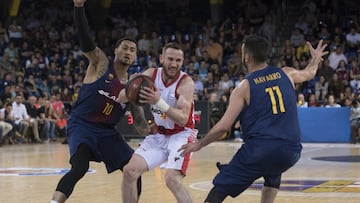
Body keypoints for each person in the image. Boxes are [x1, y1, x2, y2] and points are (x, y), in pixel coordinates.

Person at [179, 35, 328, 203]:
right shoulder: (287, 73)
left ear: (247, 57)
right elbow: (310, 73)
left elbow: (224, 126)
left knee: (220, 187)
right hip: (291, 150)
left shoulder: (244, 87)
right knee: (273, 170)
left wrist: (199, 144)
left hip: (260, 151)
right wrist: (315, 58)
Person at [50, 0, 150, 202]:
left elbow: (139, 120)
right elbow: (86, 41)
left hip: (107, 133)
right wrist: (78, 7)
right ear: (116, 50)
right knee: (79, 168)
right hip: (82, 125)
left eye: (132, 50)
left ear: (135, 56)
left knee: (134, 168)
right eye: (125, 48)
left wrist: (152, 131)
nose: (128, 52)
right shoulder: (102, 65)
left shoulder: (133, 85)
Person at [122, 42, 198, 203]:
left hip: (182, 135)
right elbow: (132, 93)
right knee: (130, 171)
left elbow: (183, 119)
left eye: (178, 60)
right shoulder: (151, 74)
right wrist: (140, 123)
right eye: (170, 59)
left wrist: (158, 102)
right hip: (159, 134)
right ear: (162, 58)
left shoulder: (186, 83)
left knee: (171, 179)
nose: (174, 64)